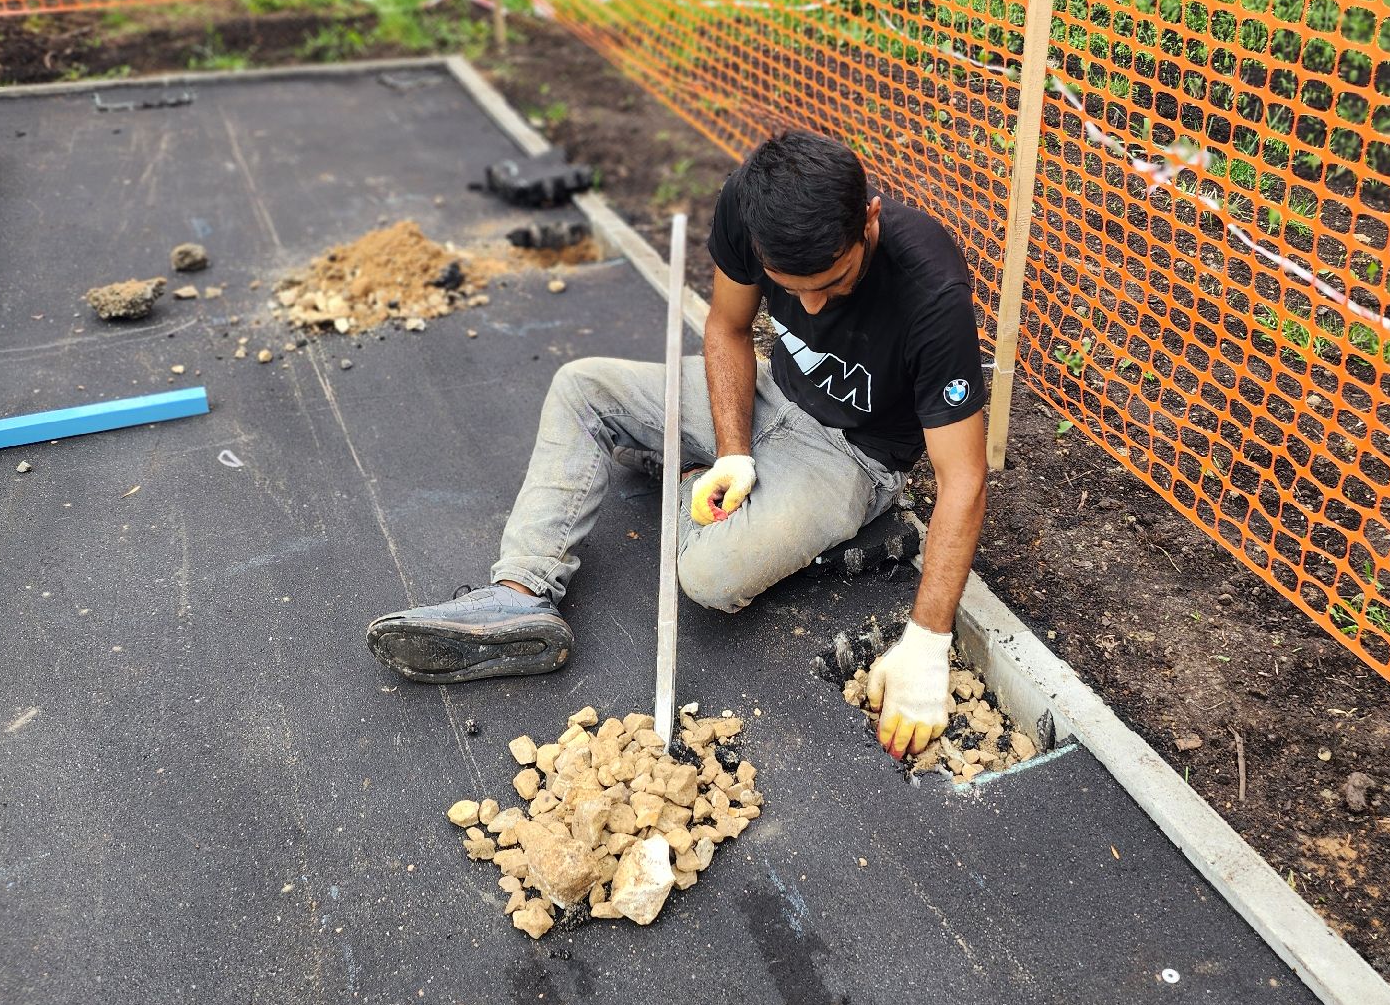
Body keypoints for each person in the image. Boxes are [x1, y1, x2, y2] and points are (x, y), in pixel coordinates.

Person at [365, 130, 987, 758]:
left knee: (711, 579)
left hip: (851, 454)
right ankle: (519, 594)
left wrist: (928, 641)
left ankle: (782, 503)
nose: (813, 303)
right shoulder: (748, 206)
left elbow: (963, 479)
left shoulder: (931, 291)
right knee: (583, 388)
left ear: (869, 219)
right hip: (771, 391)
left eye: (834, 280)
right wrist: (735, 451)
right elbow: (728, 325)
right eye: (792, 286)